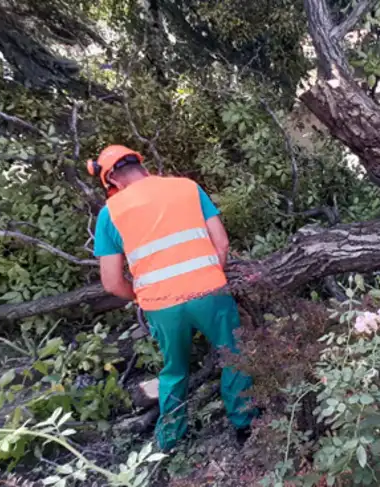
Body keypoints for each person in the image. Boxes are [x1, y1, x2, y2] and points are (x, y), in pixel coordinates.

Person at [87, 144, 257, 451]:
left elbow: (111, 282)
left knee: (175, 371)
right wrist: (208, 276)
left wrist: (141, 297)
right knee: (234, 355)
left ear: (112, 181)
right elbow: (220, 241)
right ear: (141, 165)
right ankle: (244, 426)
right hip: (210, 293)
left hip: (162, 306)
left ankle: (170, 441)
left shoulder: (109, 214)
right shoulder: (187, 187)